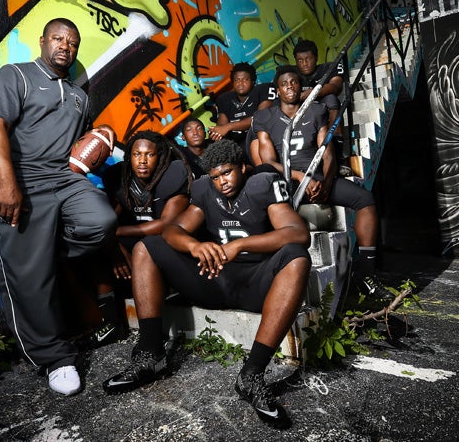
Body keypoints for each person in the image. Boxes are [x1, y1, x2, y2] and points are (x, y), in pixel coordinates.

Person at [102, 139, 311, 429]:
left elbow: (298, 233)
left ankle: (251, 375)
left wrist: (241, 246)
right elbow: (173, 229)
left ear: (241, 167)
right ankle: (151, 353)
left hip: (256, 283)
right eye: (215, 177)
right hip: (214, 279)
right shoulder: (203, 190)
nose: (222, 182)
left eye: (227, 173)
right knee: (146, 247)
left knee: (297, 256)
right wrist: (194, 246)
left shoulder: (263, 184)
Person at [0, 18, 118, 396]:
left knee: (101, 220)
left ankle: (45, 249)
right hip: (22, 180)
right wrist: (7, 183)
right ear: (43, 41)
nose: (65, 46)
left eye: (72, 43)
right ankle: (55, 359)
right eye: (58, 38)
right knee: (29, 277)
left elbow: (79, 149)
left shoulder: (79, 96)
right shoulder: (16, 75)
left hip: (63, 178)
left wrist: (101, 139)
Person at [254, 65, 392, 300]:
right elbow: (268, 162)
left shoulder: (315, 110)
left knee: (365, 199)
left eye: (294, 82)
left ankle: (366, 273)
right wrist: (300, 177)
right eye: (285, 84)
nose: (290, 87)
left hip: (317, 179)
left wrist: (327, 181)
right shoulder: (266, 118)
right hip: (289, 181)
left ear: (301, 87)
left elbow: (326, 151)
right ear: (277, 91)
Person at [86, 131, 192, 347]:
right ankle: (112, 322)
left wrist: (118, 233)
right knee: (95, 247)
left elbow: (166, 223)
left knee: (148, 245)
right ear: (129, 157)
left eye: (149, 155)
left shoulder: (173, 174)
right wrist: (113, 244)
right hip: (136, 243)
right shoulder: (120, 178)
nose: (142, 161)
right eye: (136, 154)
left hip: (166, 246)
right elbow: (106, 222)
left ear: (160, 157)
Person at [293, 39, 348, 167]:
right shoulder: (291, 75)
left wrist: (313, 93)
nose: (305, 64)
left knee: (332, 99)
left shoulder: (328, 68)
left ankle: (337, 144)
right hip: (302, 115)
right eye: (300, 60)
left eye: (308, 59)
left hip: (323, 109)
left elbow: (336, 86)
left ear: (316, 58)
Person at [209, 62, 272, 162]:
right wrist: (217, 133)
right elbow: (222, 125)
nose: (240, 83)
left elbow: (259, 118)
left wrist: (228, 127)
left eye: (245, 80)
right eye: (237, 80)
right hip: (236, 146)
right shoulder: (224, 99)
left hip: (257, 141)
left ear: (253, 81)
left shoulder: (263, 90)